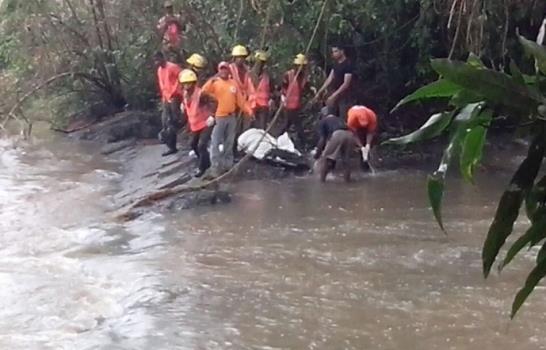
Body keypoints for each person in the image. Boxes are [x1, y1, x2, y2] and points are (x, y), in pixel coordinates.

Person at [201, 62, 253, 177]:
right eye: (221, 69)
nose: (224, 71)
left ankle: (227, 165)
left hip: (231, 117)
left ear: (229, 70)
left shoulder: (233, 83)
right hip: (218, 117)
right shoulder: (214, 83)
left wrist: (249, 110)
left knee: (229, 142)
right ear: (218, 70)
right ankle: (215, 166)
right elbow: (203, 94)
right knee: (215, 142)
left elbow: (240, 100)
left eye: (226, 69)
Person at [179, 69, 217, 178]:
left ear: (193, 83)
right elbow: (188, 103)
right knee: (193, 144)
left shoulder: (201, 94)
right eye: (185, 83)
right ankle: (206, 161)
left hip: (205, 123)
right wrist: (183, 104)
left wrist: (212, 116)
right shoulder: (185, 94)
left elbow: (214, 101)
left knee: (201, 145)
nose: (187, 86)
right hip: (195, 124)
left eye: (189, 83)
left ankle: (201, 167)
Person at [314, 107, 367, 182]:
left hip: (338, 134)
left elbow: (322, 140)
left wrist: (317, 154)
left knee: (326, 159)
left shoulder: (324, 121)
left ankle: (322, 182)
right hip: (349, 134)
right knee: (346, 160)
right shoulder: (339, 120)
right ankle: (347, 181)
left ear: (323, 115)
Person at [313, 45, 355, 120]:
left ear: (342, 51)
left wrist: (334, 96)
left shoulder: (348, 64)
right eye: (333, 52)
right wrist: (319, 92)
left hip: (345, 96)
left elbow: (346, 84)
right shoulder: (335, 64)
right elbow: (330, 78)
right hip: (334, 92)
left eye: (336, 51)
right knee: (330, 115)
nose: (334, 54)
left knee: (343, 116)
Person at [276, 53, 309, 148]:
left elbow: (305, 89)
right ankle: (303, 142)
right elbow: (282, 88)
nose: (302, 68)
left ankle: (279, 137)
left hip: (296, 104)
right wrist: (283, 100)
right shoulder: (289, 75)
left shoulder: (303, 77)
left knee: (288, 123)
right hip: (288, 104)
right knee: (297, 124)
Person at [155, 51, 182, 156]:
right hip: (166, 98)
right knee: (164, 121)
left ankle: (173, 145)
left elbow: (181, 78)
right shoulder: (159, 70)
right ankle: (171, 146)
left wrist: (175, 92)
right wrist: (164, 97)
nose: (157, 62)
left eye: (158, 60)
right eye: (155, 61)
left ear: (163, 58)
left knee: (172, 122)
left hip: (174, 97)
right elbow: (162, 85)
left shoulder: (172, 67)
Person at [230, 45, 256, 134]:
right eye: (238, 57)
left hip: (244, 101)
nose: (240, 59)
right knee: (233, 126)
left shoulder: (247, 70)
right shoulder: (229, 69)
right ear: (234, 58)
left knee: (244, 125)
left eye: (242, 57)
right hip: (232, 101)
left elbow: (250, 86)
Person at [250, 50, 274, 130]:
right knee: (249, 128)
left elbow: (272, 89)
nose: (261, 64)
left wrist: (272, 98)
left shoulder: (267, 76)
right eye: (259, 62)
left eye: (263, 62)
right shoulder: (249, 74)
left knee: (262, 128)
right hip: (251, 105)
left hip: (263, 106)